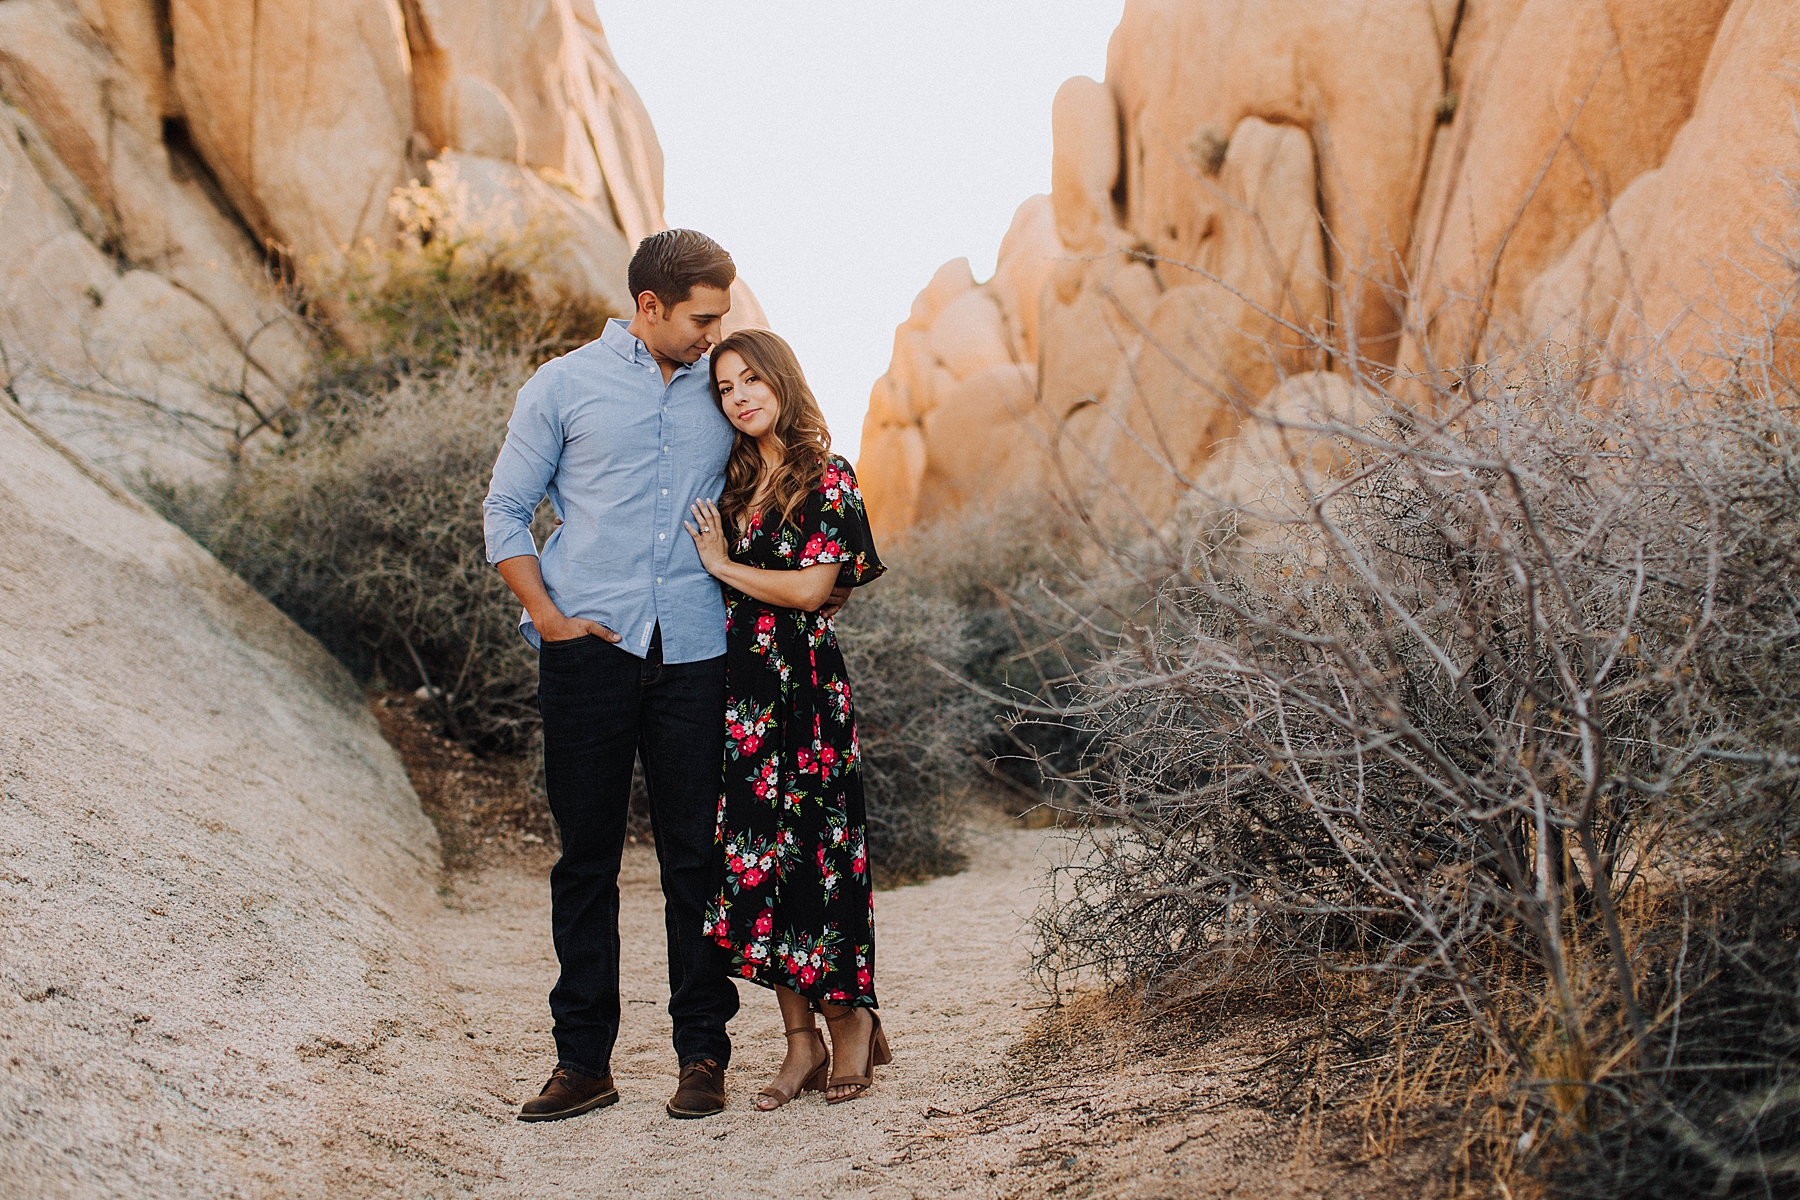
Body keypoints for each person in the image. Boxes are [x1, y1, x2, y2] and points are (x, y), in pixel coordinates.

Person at [483, 230, 848, 1122]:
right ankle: (582, 1064)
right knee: (586, 861)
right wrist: (550, 620)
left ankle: (703, 1057)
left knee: (694, 859)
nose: (714, 333)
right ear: (649, 307)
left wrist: (814, 577)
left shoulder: (721, 395)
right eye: (701, 317)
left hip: (697, 655)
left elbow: (783, 464)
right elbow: (504, 511)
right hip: (588, 654)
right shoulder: (562, 385)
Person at [684, 328, 890, 1108]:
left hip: (806, 694)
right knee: (756, 863)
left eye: (750, 380)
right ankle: (798, 1042)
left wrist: (724, 567)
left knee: (819, 858)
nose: (739, 396)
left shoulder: (828, 475)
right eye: (725, 387)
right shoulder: (734, 488)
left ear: (782, 381)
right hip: (743, 697)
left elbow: (814, 593)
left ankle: (851, 1026)